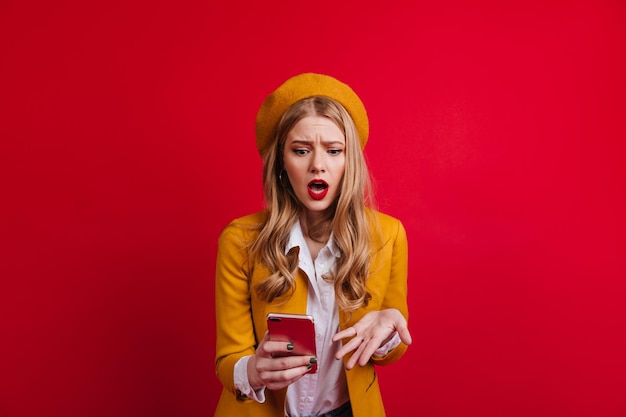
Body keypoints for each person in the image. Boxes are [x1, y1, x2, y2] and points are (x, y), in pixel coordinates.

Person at [214, 72, 412, 417]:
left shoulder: (388, 235)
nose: (317, 164)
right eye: (301, 150)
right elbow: (227, 361)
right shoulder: (240, 240)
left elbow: (388, 353)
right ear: (281, 162)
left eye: (334, 150)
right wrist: (250, 370)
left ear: (348, 162)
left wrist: (391, 326)